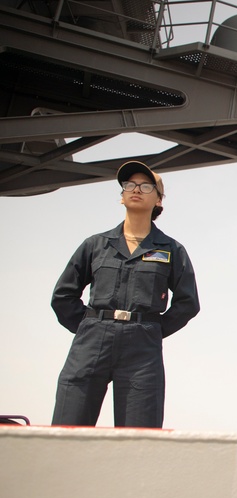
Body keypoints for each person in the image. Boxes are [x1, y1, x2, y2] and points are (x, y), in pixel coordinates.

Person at [51, 161, 199, 428]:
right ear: (121, 196)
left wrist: (152, 329)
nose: (135, 190)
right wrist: (88, 327)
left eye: (145, 186)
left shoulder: (171, 250)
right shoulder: (95, 245)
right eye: (129, 185)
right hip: (91, 342)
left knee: (139, 438)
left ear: (158, 200)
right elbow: (63, 295)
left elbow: (188, 303)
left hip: (142, 349)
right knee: (67, 430)